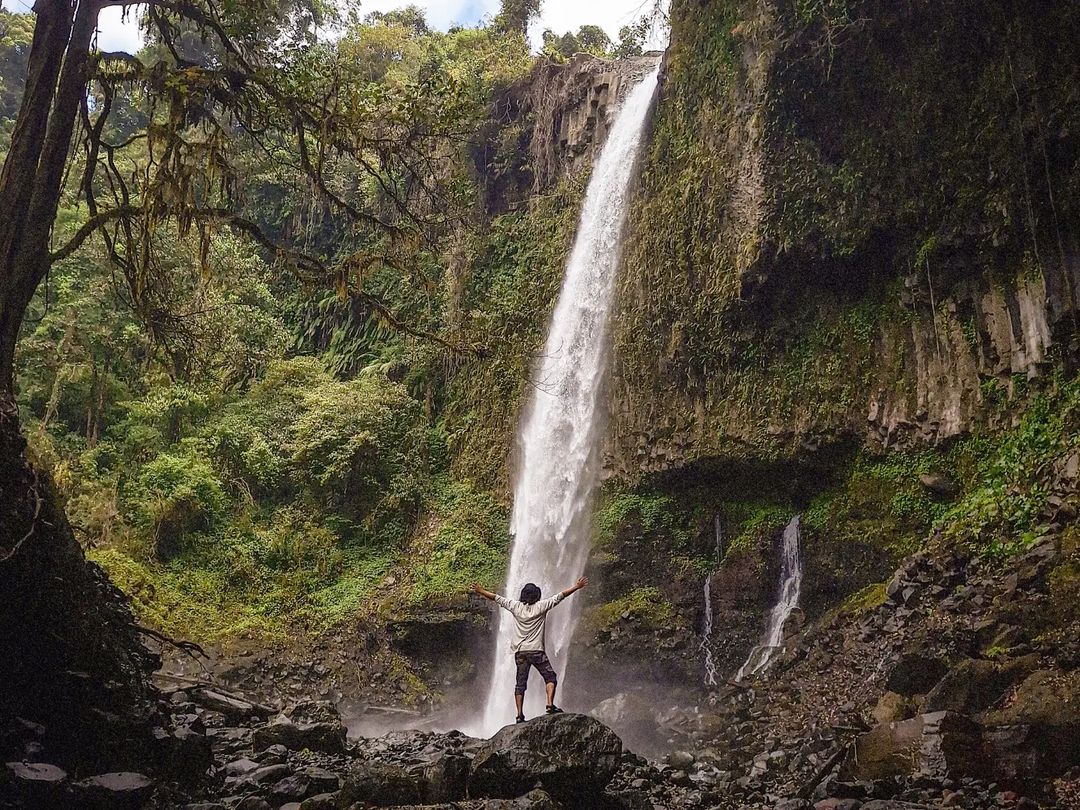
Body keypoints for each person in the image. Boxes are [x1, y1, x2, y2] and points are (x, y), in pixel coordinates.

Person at [469, 576, 589, 723]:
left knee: (520, 684)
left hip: (521, 653)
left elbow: (496, 598)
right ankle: (550, 704)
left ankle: (519, 715)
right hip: (536, 651)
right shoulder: (542, 606)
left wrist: (480, 591)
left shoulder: (515, 607)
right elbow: (560, 596)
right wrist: (576, 587)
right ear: (537, 595)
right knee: (550, 677)